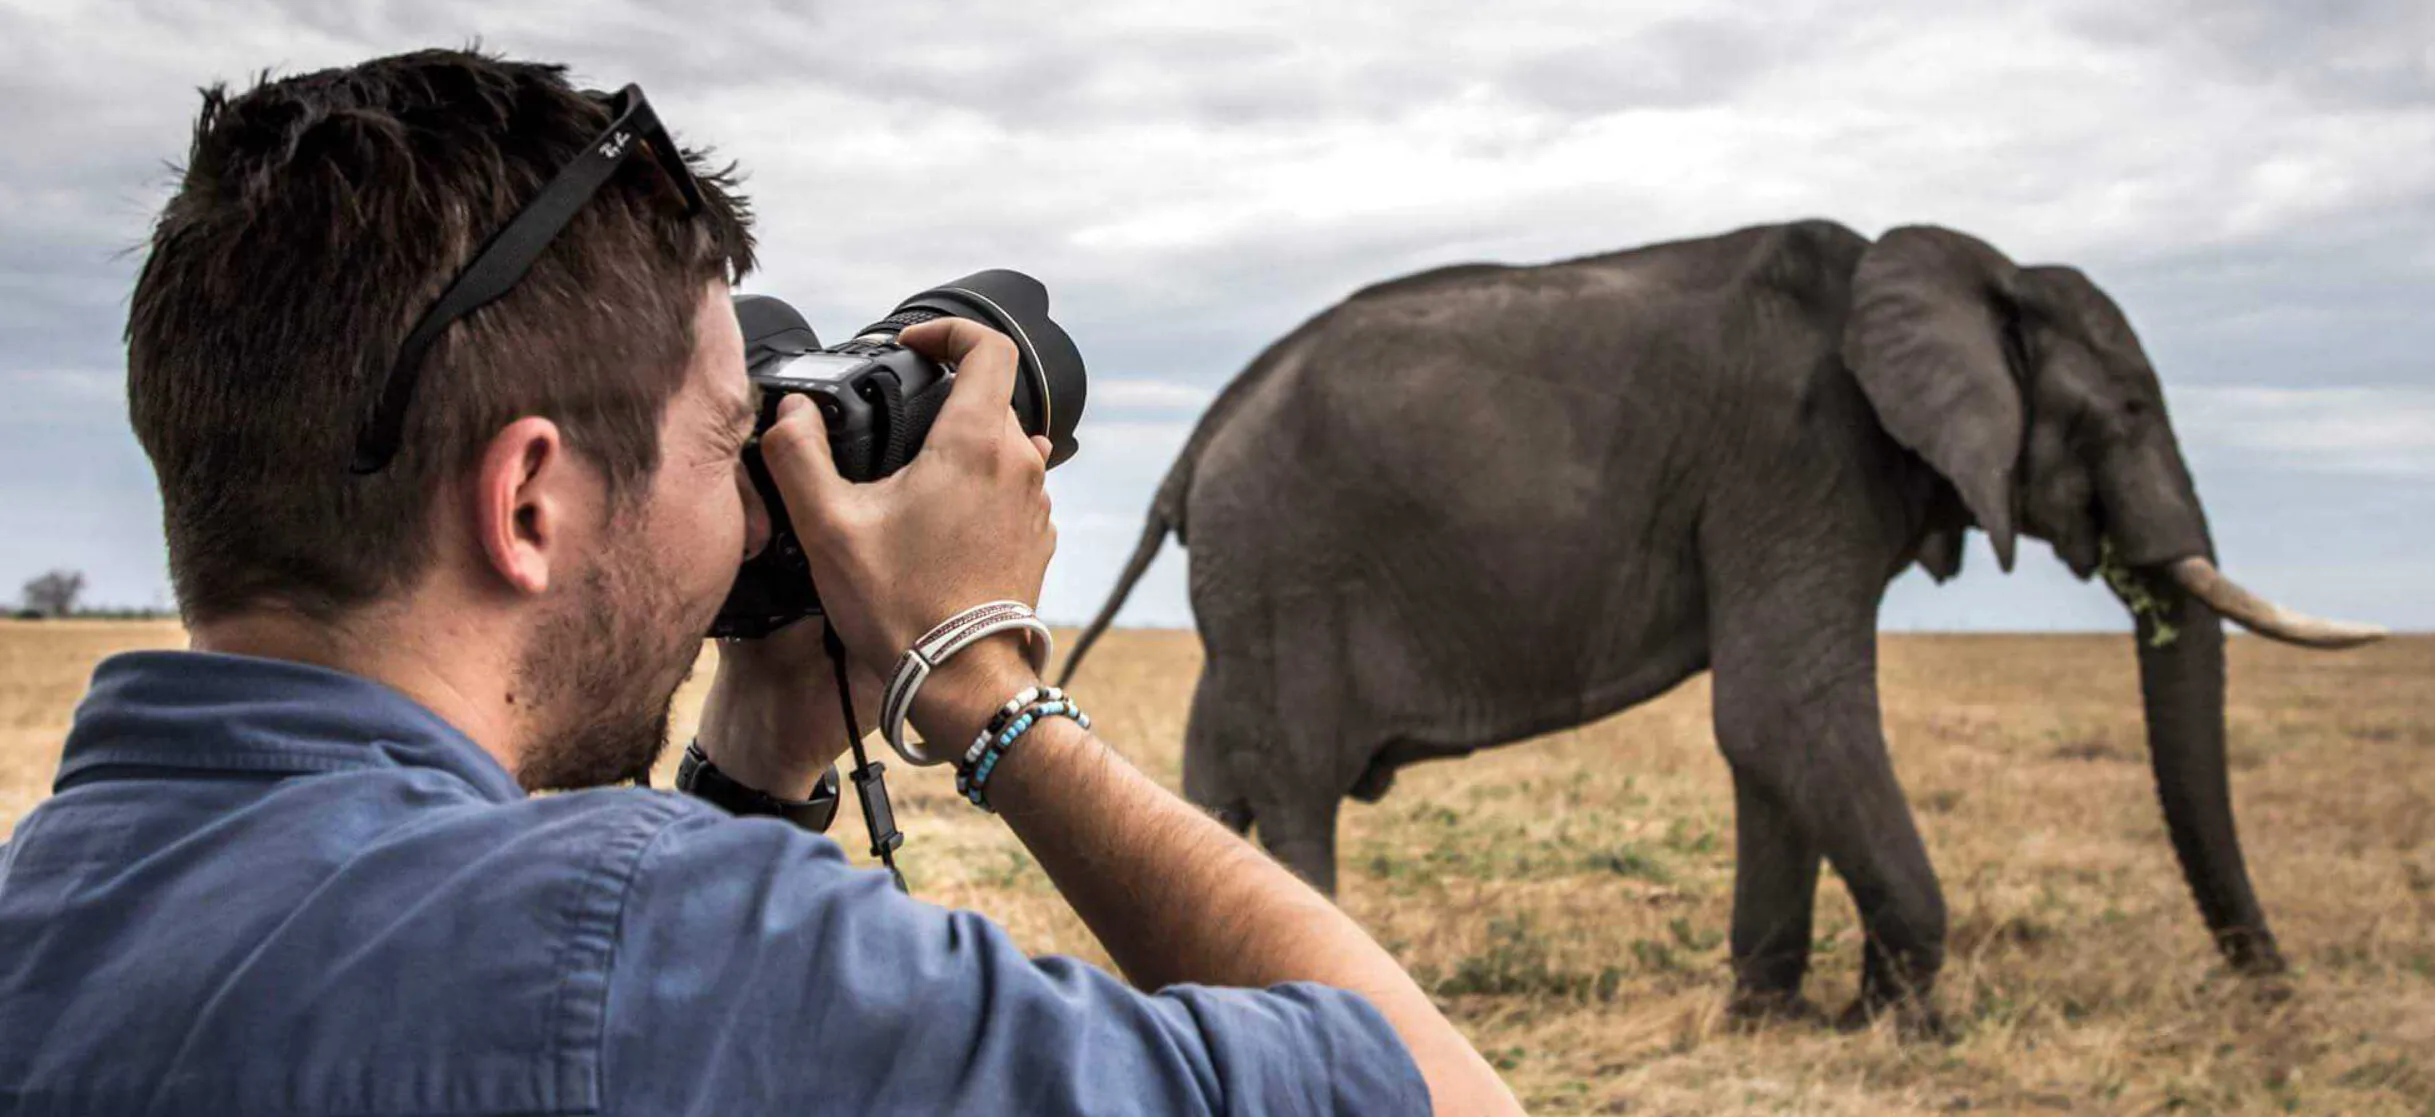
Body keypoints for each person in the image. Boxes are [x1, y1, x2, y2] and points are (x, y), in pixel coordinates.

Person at [0, 48, 1521, 1116]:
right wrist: (978, 674)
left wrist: (759, 754)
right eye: (729, 440)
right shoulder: (661, 951)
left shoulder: (51, 911)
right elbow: (1446, 1098)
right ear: (529, 501)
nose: (751, 506)